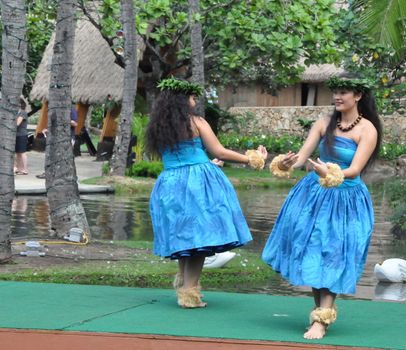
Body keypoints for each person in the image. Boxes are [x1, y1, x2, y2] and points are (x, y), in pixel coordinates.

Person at [262, 73, 382, 340]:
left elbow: (354, 169)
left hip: (347, 200)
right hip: (314, 196)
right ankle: (321, 312)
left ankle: (322, 320)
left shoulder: (367, 130)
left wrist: (329, 169)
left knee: (334, 254)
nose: (338, 97)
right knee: (314, 251)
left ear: (358, 96)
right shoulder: (324, 123)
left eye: (344, 92)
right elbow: (302, 158)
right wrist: (285, 163)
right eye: (335, 92)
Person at [146, 77, 267, 309]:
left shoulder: (158, 127)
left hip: (169, 184)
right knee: (200, 238)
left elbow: (180, 157)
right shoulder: (196, 122)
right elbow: (219, 150)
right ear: (183, 101)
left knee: (184, 236)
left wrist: (206, 162)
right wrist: (252, 158)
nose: (194, 102)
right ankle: (189, 294)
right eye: (192, 97)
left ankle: (185, 285)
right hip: (197, 184)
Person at [14, 98, 29, 175]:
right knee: (18, 153)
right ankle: (19, 169)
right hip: (16, 135)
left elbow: (17, 124)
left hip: (22, 135)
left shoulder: (22, 113)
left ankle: (25, 169)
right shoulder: (17, 112)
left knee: (22, 153)